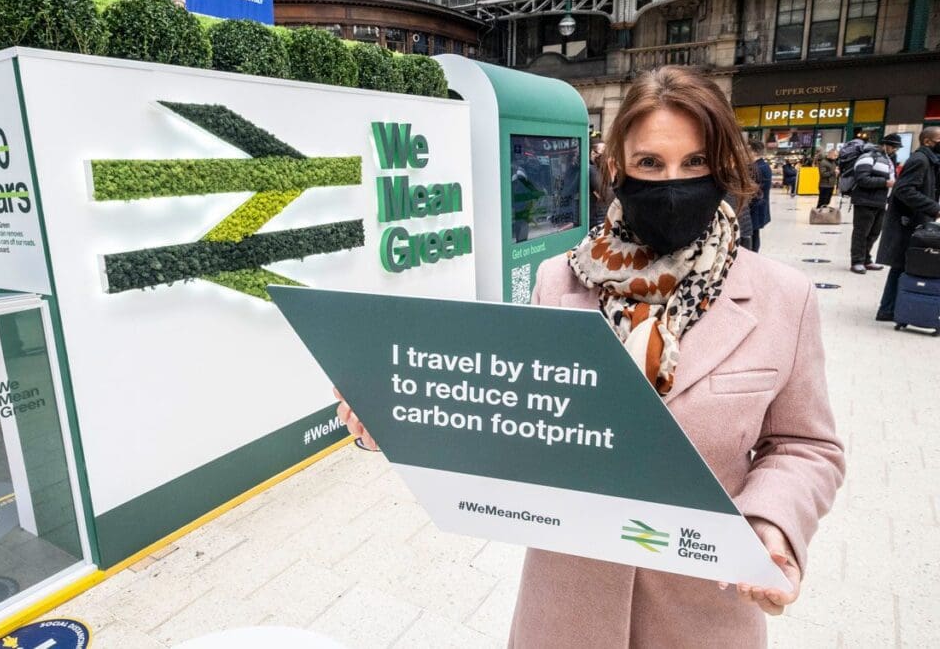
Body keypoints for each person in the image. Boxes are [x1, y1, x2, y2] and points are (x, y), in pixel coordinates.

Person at [337, 66, 844, 647]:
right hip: (569, 602)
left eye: (695, 163)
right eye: (650, 164)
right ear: (618, 168)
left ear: (723, 166)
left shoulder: (784, 297)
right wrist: (406, 420)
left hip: (707, 600)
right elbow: (513, 419)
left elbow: (806, 445)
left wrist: (771, 522)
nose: (673, 185)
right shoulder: (560, 282)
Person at [874, 127, 940, 321]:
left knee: (902, 264)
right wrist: (934, 208)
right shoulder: (920, 160)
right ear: (928, 141)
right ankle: (887, 309)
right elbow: (904, 190)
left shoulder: (930, 161)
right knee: (902, 264)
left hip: (914, 220)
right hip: (908, 222)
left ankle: (889, 308)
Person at [849, 134, 900, 274]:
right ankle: (857, 261)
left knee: (874, 233)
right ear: (885, 145)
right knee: (861, 233)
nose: (895, 150)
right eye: (893, 147)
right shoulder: (868, 157)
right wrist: (885, 183)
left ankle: (866, 259)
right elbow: (862, 179)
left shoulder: (888, 159)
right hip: (865, 201)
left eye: (897, 148)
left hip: (880, 201)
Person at [749, 142, 772, 253]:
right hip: (759, 206)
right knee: (755, 234)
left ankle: (753, 257)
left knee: (752, 235)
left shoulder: (756, 168)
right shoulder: (763, 165)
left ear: (753, 152)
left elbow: (754, 192)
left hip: (755, 207)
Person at [588, 136, 615, 229]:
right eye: (602, 153)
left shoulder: (601, 169)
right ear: (592, 153)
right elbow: (609, 196)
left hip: (603, 216)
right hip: (597, 220)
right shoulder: (591, 169)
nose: (604, 156)